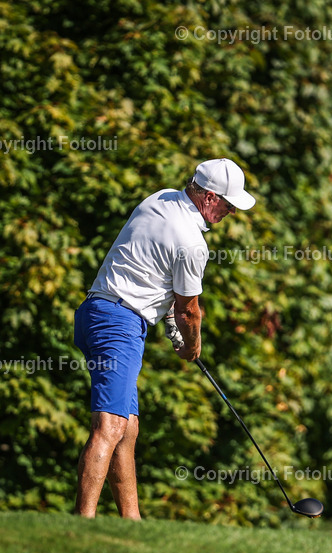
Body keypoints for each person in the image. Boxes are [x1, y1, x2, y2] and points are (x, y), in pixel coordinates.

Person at [72, 158, 256, 519]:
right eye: (228, 203)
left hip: (96, 312)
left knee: (128, 426)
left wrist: (170, 320)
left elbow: (155, 277)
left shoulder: (159, 199)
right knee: (109, 426)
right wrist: (191, 346)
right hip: (119, 324)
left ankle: (132, 521)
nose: (231, 211)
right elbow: (190, 310)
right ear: (207, 197)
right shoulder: (192, 243)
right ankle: (83, 524)